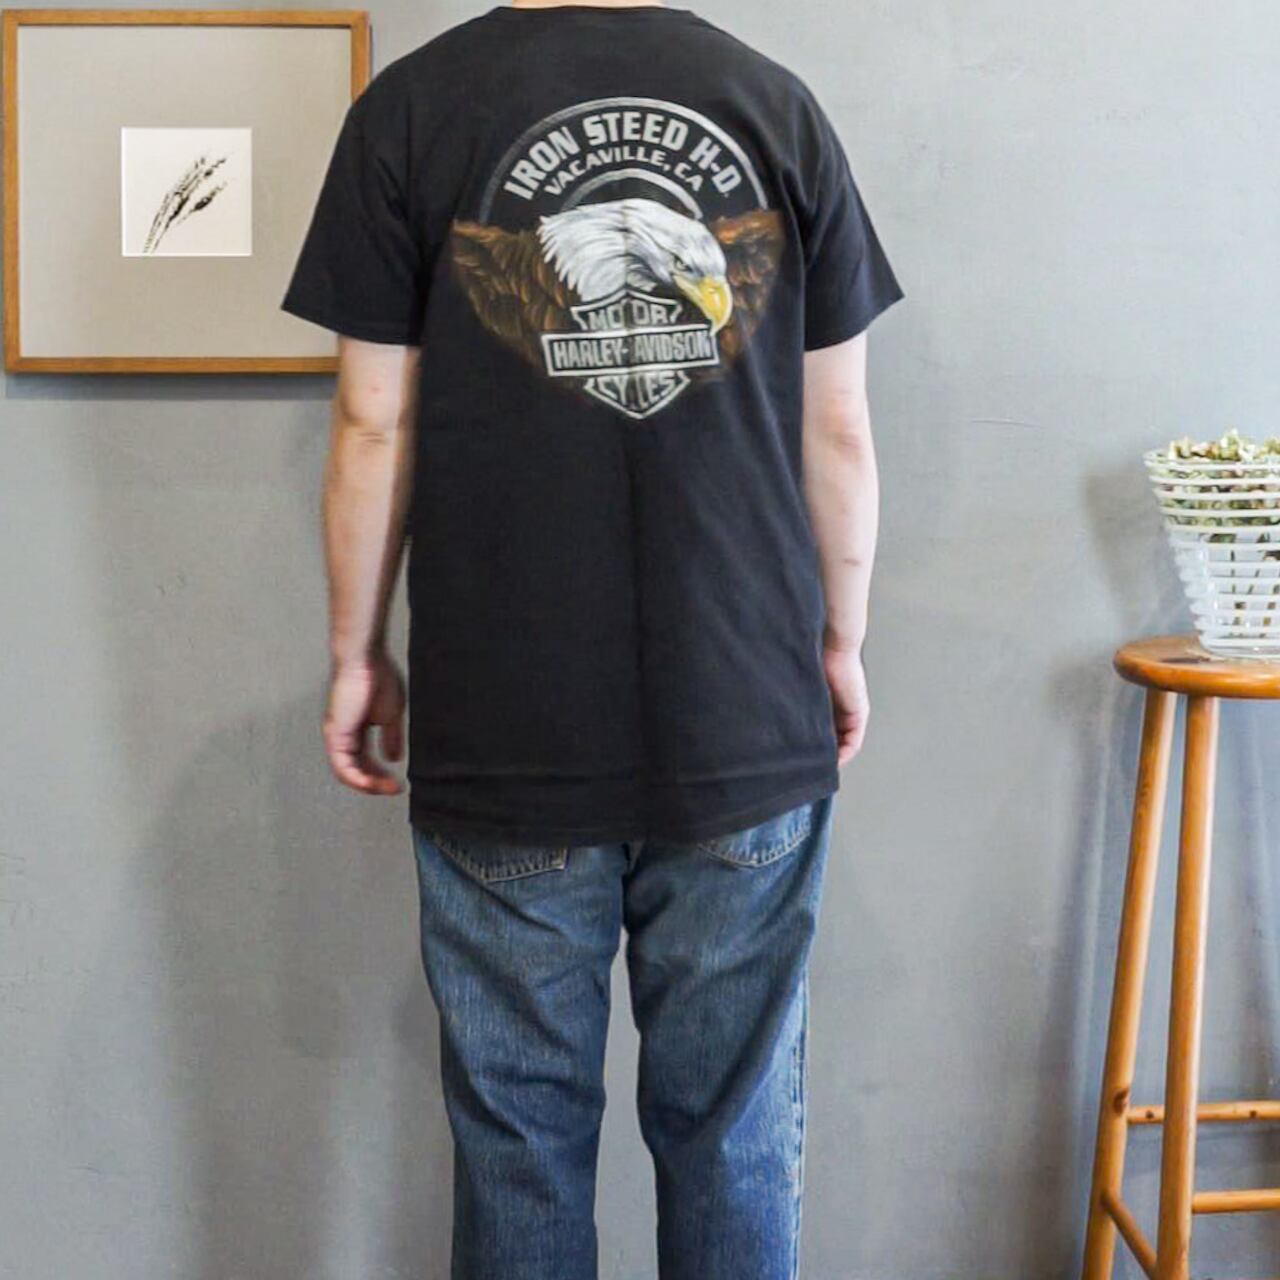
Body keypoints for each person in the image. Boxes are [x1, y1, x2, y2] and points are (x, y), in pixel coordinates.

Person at [279, 2, 902, 1276]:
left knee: (519, 1136)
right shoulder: (769, 106)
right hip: (742, 700)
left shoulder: (412, 111)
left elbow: (372, 423)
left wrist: (355, 653)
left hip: (506, 716)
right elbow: (835, 426)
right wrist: (838, 640)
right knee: (732, 1129)